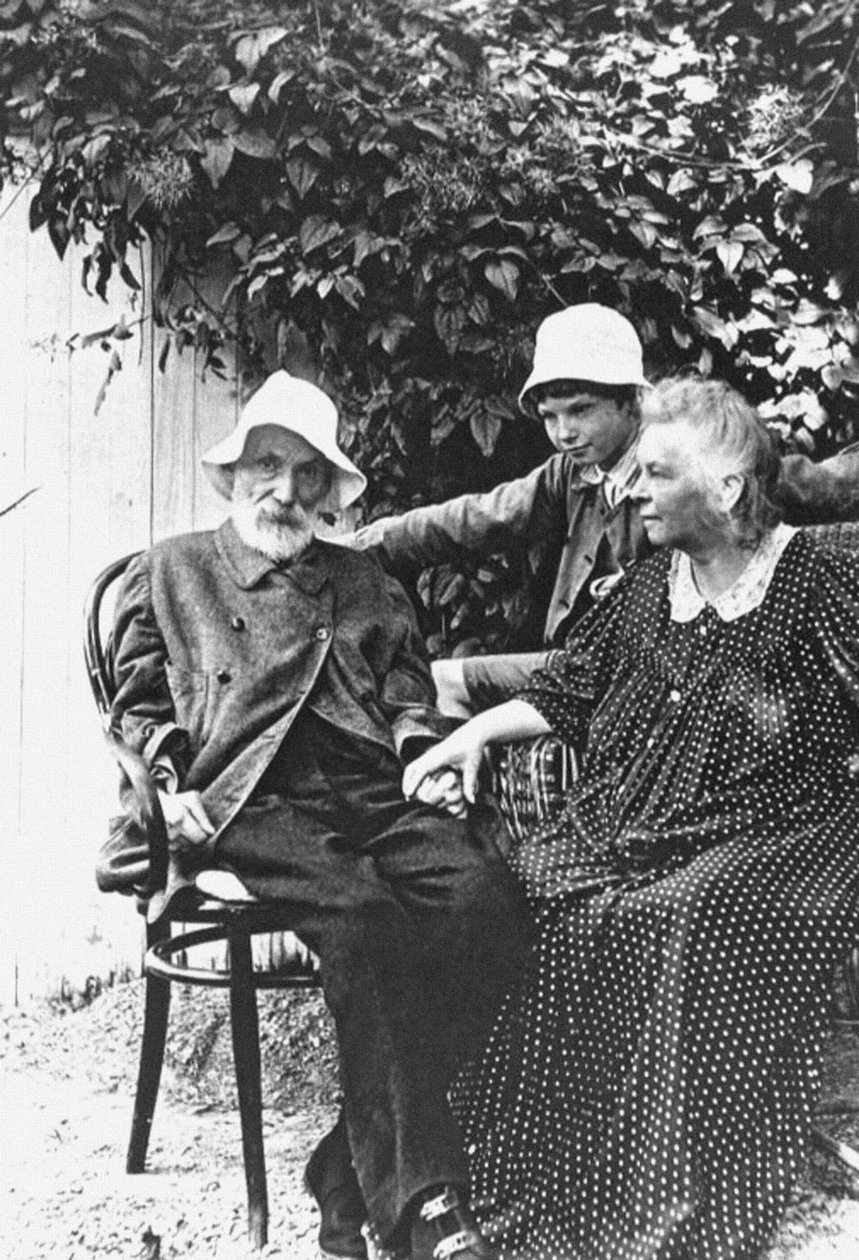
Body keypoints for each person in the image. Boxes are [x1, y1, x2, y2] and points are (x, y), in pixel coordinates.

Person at [402, 376, 859, 1260]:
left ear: (726, 486)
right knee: (529, 888)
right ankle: (518, 1177)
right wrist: (470, 737)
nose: (634, 492)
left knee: (679, 913)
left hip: (785, 828)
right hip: (642, 818)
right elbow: (566, 691)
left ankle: (664, 1201)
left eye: (655, 475)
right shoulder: (650, 586)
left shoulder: (818, 575)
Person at [100, 371, 532, 1260]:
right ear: (233, 474)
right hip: (245, 794)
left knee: (487, 900)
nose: (284, 491)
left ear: (330, 492)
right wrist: (167, 784)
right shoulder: (170, 572)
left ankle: (343, 1170)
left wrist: (424, 756)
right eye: (267, 465)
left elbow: (407, 695)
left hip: (371, 789)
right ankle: (423, 1210)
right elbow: (138, 709)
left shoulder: (364, 580)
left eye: (307, 475)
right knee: (363, 919)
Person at [349, 304, 859, 717]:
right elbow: (475, 519)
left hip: (644, 670)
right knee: (432, 682)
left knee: (445, 681)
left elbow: (817, 484)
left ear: (631, 402)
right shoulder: (570, 475)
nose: (563, 433)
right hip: (578, 664)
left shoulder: (691, 464)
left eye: (580, 410)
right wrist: (360, 546)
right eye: (550, 417)